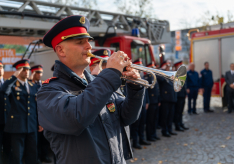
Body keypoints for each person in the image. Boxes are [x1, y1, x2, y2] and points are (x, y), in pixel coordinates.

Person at [37, 15, 145, 164]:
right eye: (80, 42)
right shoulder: (49, 91)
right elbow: (76, 118)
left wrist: (135, 87)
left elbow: (127, 117)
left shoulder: (98, 83)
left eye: (88, 41)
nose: (89, 47)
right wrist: (111, 74)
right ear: (61, 50)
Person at [0, 59, 43, 164]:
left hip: (31, 125)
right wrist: (14, 76)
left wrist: (39, 123)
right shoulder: (13, 86)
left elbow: (36, 107)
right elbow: (3, 90)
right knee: (17, 156)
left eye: (28, 69)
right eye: (23, 69)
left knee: (32, 154)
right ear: (18, 71)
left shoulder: (33, 86)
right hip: (17, 127)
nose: (26, 71)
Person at [29, 65, 52, 164]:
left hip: (44, 116)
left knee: (44, 139)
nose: (39, 74)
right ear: (33, 73)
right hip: (34, 117)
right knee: (35, 140)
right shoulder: (29, 85)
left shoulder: (44, 84)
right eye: (37, 72)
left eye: (40, 72)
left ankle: (44, 155)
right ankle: (37, 157)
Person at [129, 59, 151, 149]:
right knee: (135, 125)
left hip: (143, 104)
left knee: (142, 123)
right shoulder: (134, 77)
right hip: (136, 105)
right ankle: (135, 141)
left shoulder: (142, 77)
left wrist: (147, 102)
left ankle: (142, 139)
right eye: (139, 67)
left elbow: (145, 92)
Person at [159, 61, 178, 137]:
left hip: (171, 98)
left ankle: (169, 129)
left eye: (169, 66)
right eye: (167, 65)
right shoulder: (162, 74)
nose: (169, 67)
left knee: (170, 115)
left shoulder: (170, 74)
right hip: (165, 99)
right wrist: (163, 70)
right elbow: (160, 79)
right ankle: (164, 130)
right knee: (165, 116)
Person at [145, 62, 161, 141]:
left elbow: (157, 90)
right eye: (152, 67)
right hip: (151, 102)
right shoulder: (148, 77)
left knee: (155, 119)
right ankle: (149, 135)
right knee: (150, 120)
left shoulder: (154, 76)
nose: (154, 68)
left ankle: (154, 134)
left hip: (155, 101)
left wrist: (158, 100)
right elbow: (147, 91)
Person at [173, 61, 189, 131]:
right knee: (178, 111)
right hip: (178, 95)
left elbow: (184, 85)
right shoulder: (175, 74)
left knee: (181, 111)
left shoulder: (181, 74)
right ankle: (177, 125)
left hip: (182, 95)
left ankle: (181, 123)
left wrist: (185, 94)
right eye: (179, 66)